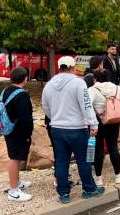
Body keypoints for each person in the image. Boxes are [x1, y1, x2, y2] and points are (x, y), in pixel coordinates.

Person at [42, 56, 104, 204]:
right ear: (72, 66)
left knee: (61, 161)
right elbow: (86, 105)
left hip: (57, 128)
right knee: (83, 161)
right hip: (77, 128)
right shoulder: (78, 82)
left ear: (59, 67)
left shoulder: (49, 84)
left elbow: (45, 106)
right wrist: (93, 124)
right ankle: (88, 189)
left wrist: (55, 117)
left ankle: (63, 193)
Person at [89, 69, 120, 185]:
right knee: (113, 147)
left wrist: (93, 117)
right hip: (114, 121)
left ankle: (99, 178)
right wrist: (118, 112)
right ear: (108, 77)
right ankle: (118, 175)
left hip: (99, 121)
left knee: (98, 149)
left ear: (95, 78)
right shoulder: (116, 88)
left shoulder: (92, 90)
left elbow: (87, 105)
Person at [3, 67, 34, 202]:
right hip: (18, 132)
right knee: (14, 159)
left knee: (14, 156)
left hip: (8, 128)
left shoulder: (6, 90)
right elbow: (25, 118)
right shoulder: (22, 94)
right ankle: (14, 191)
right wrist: (29, 133)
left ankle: (17, 182)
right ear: (25, 79)